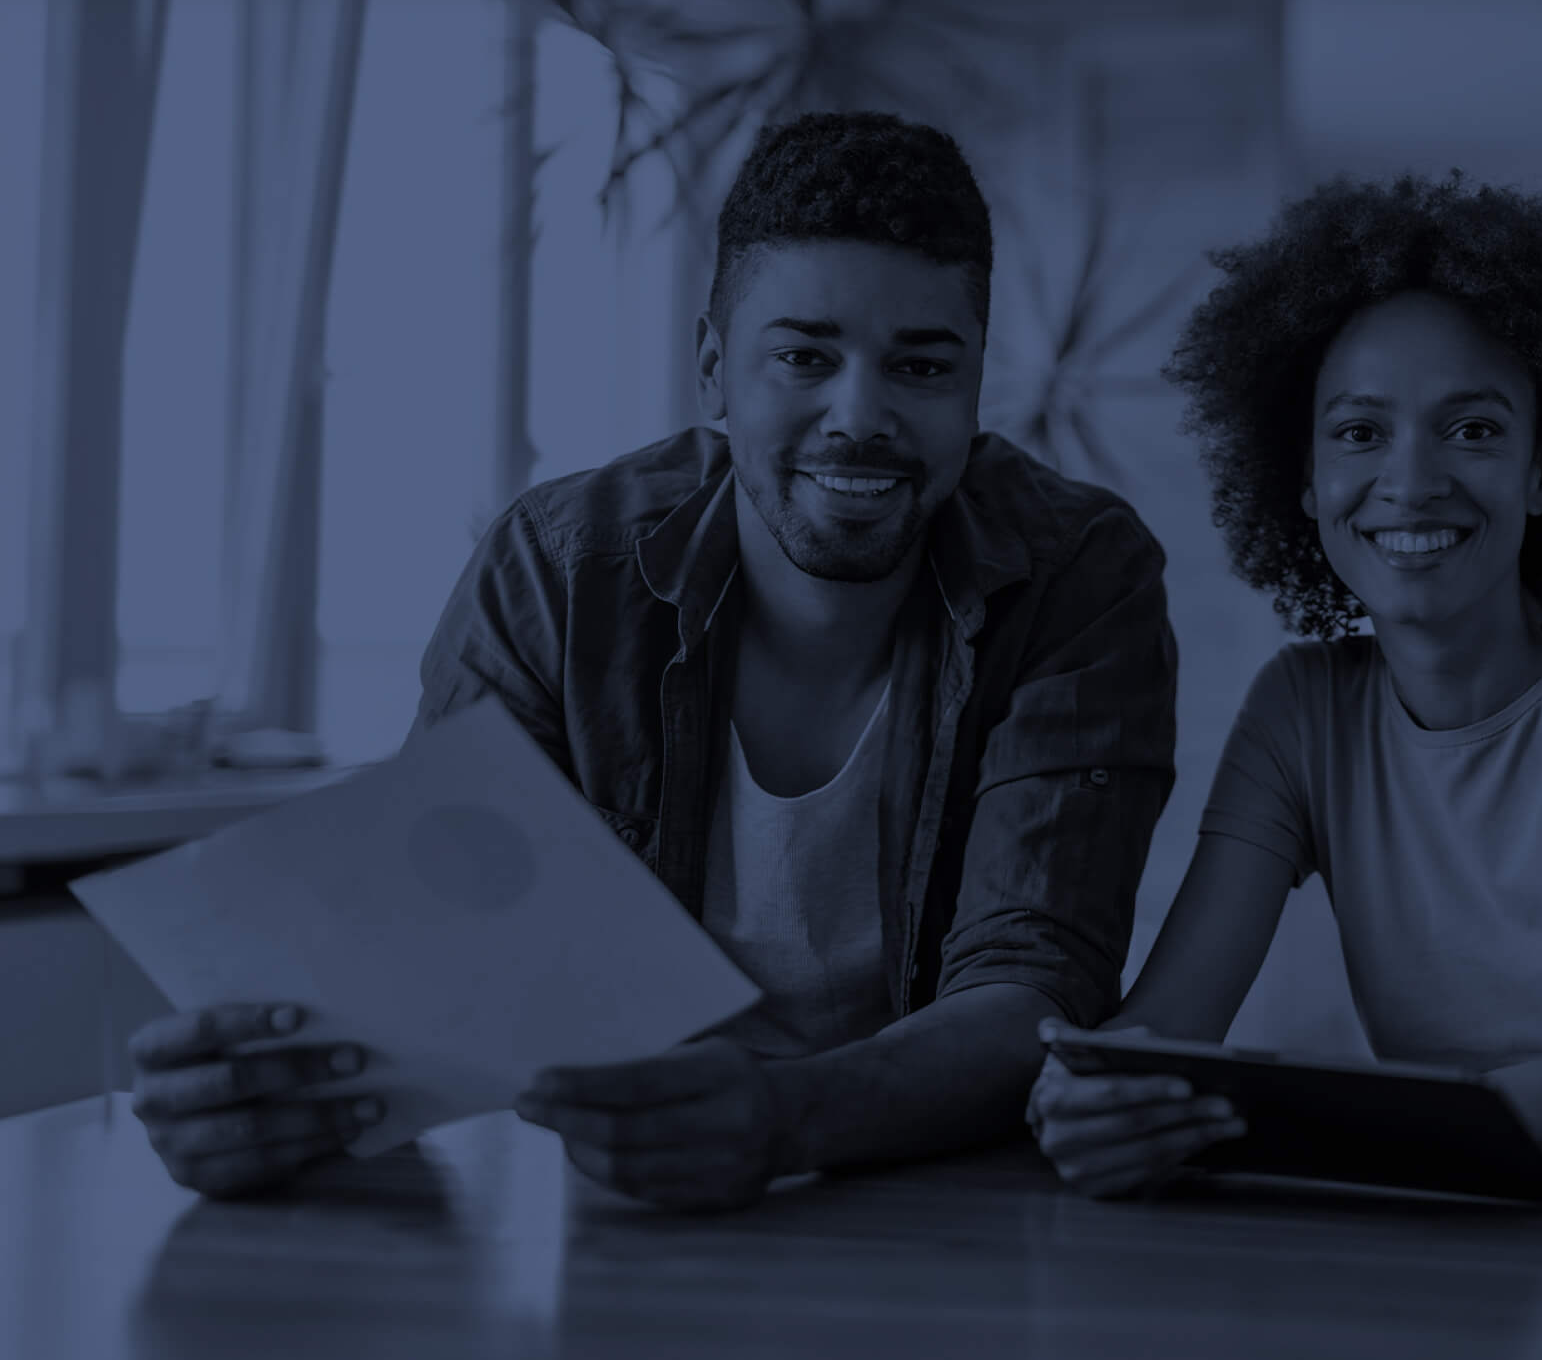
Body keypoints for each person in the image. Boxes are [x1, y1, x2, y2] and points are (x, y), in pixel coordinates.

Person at [129, 111, 1178, 1205]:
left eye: (920, 364)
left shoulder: (1077, 574)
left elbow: (1033, 991)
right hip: (614, 1194)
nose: (859, 416)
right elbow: (427, 959)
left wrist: (783, 1118)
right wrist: (275, 1102)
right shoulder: (560, 569)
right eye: (804, 357)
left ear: (973, 390)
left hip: (944, 1195)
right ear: (716, 371)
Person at [1028, 170, 1542, 1200]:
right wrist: (1094, 1095)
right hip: (1484, 1211)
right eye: (1358, 432)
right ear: (1304, 482)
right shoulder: (1301, 712)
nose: (1413, 479)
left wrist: (1298, 1126)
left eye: (1472, 429)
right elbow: (1167, 1029)